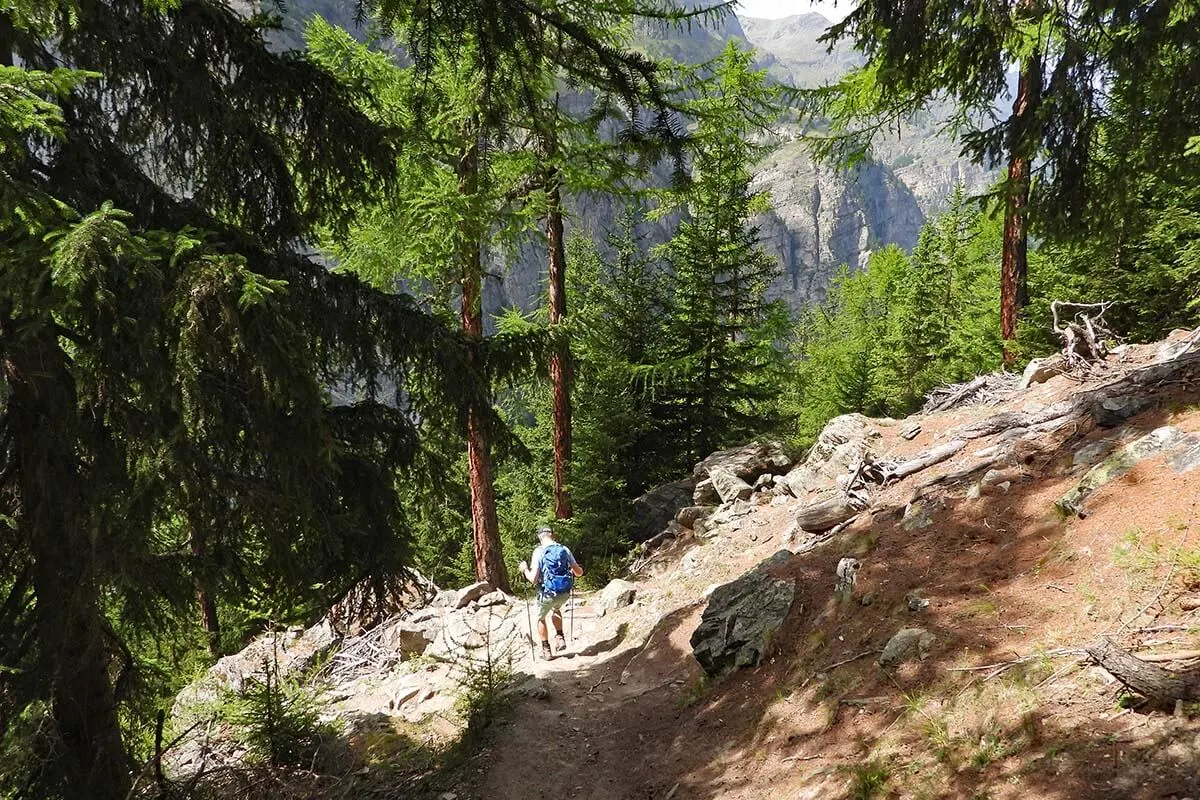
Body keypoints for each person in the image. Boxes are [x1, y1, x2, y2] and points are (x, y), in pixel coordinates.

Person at [519, 525, 583, 660]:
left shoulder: (539, 551)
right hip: (564, 593)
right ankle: (560, 638)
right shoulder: (564, 549)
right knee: (556, 609)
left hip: (547, 594)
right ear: (552, 535)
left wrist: (525, 569)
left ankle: (546, 649)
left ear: (539, 537)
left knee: (540, 618)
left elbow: (534, 579)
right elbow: (578, 572)